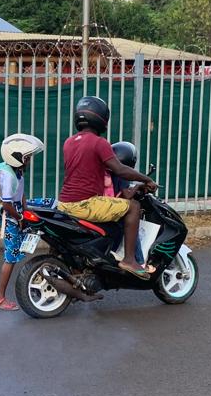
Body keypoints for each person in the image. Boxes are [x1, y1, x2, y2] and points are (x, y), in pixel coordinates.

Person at [57, 97, 158, 279]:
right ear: (102, 118)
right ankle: (129, 260)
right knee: (133, 207)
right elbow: (120, 169)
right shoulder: (99, 143)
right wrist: (146, 179)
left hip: (64, 203)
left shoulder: (69, 142)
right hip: (85, 203)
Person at [0, 133, 44, 311]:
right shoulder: (7, 175)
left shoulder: (17, 171)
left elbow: (20, 193)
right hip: (11, 217)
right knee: (10, 258)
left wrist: (26, 208)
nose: (29, 161)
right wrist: (20, 218)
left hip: (18, 212)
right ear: (18, 158)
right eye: (27, 158)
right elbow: (7, 204)